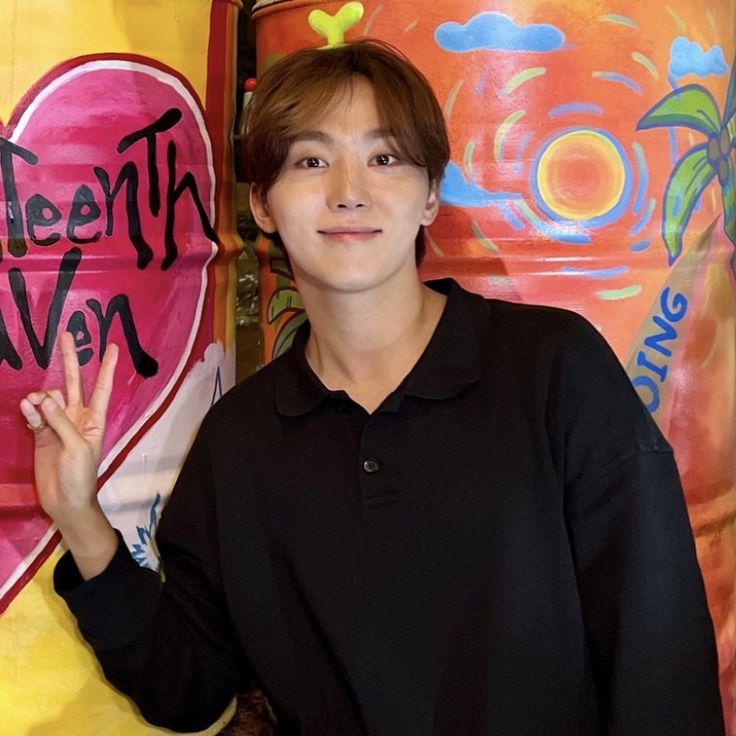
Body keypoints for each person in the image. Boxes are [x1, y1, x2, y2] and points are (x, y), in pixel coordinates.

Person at [20, 40, 724, 735]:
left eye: (384, 158)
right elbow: (189, 690)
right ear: (262, 205)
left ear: (430, 195)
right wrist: (79, 516)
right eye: (311, 160)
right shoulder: (241, 440)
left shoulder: (551, 369)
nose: (348, 192)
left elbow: (658, 656)